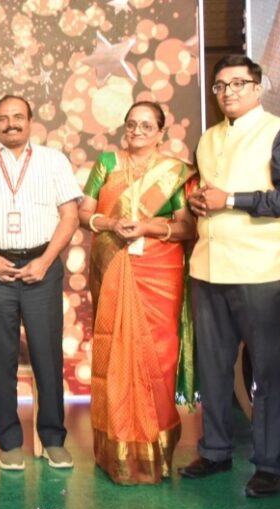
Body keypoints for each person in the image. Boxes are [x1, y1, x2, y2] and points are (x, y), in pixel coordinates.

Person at [182, 55, 280, 497]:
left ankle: (271, 464)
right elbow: (208, 195)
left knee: (267, 368)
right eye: (220, 86)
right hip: (207, 266)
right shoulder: (209, 138)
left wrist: (232, 198)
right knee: (214, 368)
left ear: (258, 87)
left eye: (239, 83)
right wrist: (200, 203)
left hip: (258, 269)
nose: (229, 92)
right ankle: (216, 451)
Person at [0, 95, 82, 471]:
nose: (10, 124)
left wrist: (45, 262)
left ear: (30, 121)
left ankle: (53, 439)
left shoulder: (53, 160)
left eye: (17, 117)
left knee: (47, 357)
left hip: (42, 267)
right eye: (2, 119)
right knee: (2, 358)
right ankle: (9, 442)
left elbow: (70, 216)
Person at [77, 101, 197, 485]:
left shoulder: (176, 173)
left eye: (147, 125)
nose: (138, 131)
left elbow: (186, 228)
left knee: (158, 356)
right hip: (112, 263)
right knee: (114, 353)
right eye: (132, 124)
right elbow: (84, 213)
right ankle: (116, 452)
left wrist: (147, 228)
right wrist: (110, 222)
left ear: (162, 132)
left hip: (159, 271)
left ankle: (154, 452)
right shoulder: (106, 164)